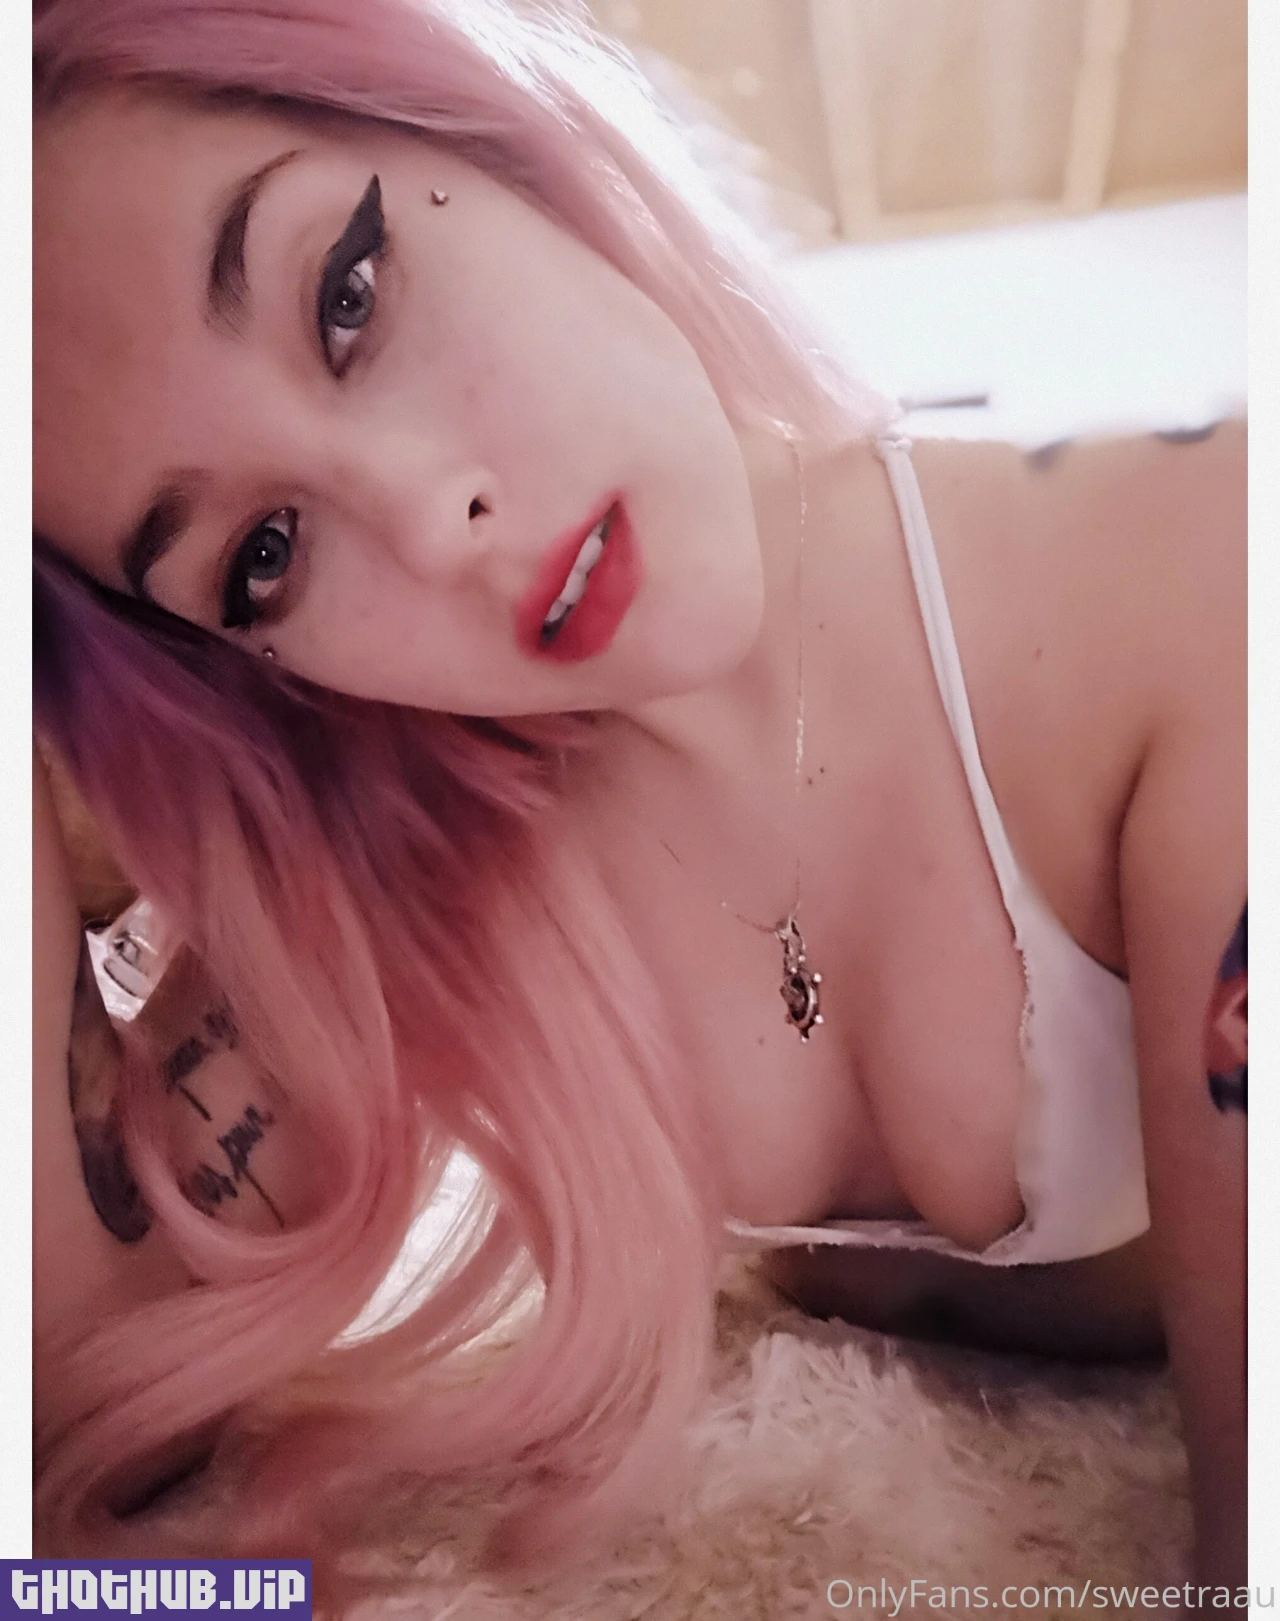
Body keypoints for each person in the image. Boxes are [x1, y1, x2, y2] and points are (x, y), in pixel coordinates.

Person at [31, 0, 1245, 1602]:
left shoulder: (1198, 571)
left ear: (491, 141)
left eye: (350, 295)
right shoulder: (413, 865)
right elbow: (79, 1400)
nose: (435, 519)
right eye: (264, 555)